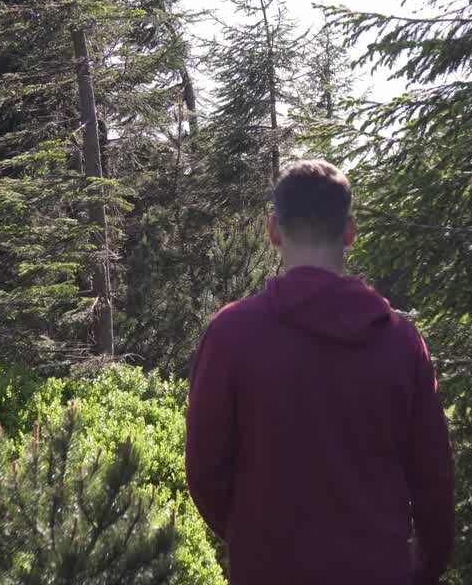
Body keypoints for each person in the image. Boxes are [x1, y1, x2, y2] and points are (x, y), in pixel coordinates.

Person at [185, 159, 455, 585]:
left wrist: (254, 539)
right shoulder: (401, 341)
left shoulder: (232, 334)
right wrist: (424, 568)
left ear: (274, 230)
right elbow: (434, 479)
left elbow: (204, 471)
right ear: (349, 232)